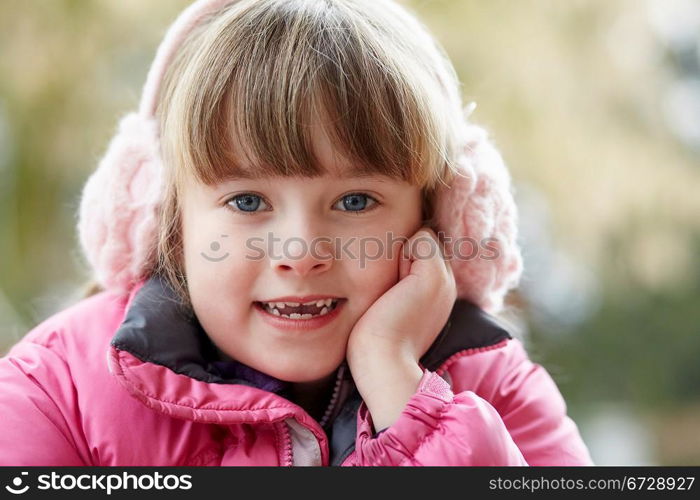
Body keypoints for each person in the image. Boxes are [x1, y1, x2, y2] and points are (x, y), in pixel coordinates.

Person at [0, 0, 593, 466]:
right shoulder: (56, 391)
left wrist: (402, 389)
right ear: (168, 222)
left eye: (356, 200)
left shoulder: (496, 388)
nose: (300, 253)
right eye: (248, 200)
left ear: (434, 221)